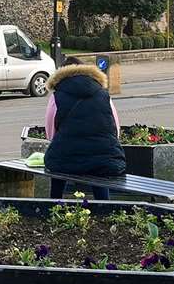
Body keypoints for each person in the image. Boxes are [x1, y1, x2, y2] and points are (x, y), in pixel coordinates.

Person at [41, 60, 124, 200]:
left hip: (65, 159)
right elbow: (115, 127)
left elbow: (50, 130)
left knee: (57, 167)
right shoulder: (103, 95)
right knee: (100, 171)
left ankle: (55, 205)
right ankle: (104, 207)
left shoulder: (57, 96)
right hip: (103, 160)